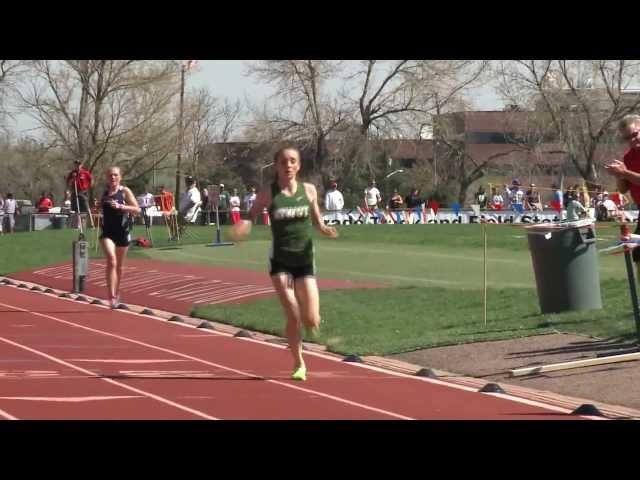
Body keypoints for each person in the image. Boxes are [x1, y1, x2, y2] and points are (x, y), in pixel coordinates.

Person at [229, 146, 338, 381]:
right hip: (280, 261)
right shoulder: (268, 192)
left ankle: (308, 325)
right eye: (283, 162)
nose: (288, 165)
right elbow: (252, 214)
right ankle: (299, 362)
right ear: (276, 165)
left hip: (305, 260)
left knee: (311, 319)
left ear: (298, 166)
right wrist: (244, 226)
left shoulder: (308, 190)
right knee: (293, 313)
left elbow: (317, 221)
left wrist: (325, 229)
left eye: (292, 161)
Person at [99, 166, 140, 309]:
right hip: (107, 233)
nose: (113, 178)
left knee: (120, 267)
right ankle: (110, 296)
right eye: (110, 175)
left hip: (122, 231)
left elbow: (137, 209)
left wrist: (121, 207)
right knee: (112, 260)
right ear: (106, 177)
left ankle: (116, 293)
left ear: (120, 177)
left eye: (115, 175)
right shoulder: (104, 192)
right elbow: (101, 208)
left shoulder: (124, 191)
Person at [66, 160, 94, 227]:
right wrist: (73, 178)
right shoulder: (72, 173)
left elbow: (91, 179)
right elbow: (68, 182)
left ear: (81, 165)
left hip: (83, 192)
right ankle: (77, 225)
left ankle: (92, 224)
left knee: (87, 208)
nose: (77, 166)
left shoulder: (85, 173)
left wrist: (89, 186)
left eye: (79, 164)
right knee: (76, 209)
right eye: (76, 165)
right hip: (75, 192)